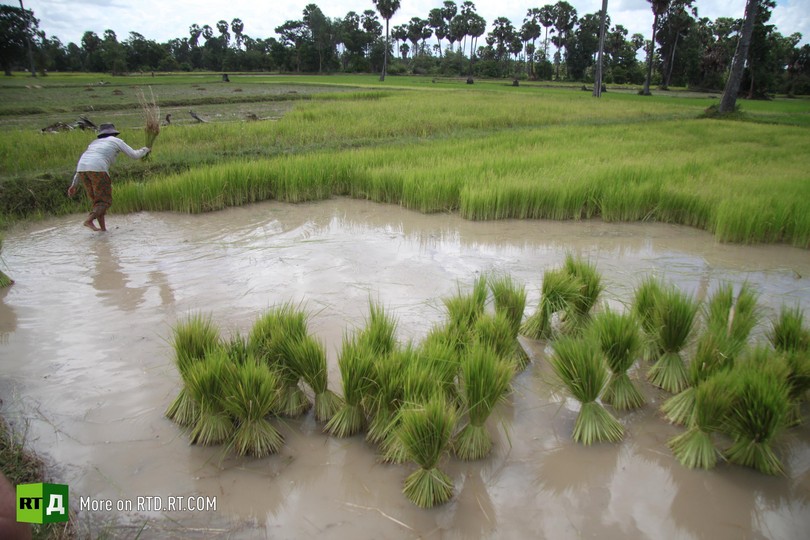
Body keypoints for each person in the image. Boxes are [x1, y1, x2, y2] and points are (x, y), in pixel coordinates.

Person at [67, 123, 150, 231]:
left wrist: (74, 185)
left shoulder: (94, 143)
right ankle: (89, 220)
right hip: (98, 169)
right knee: (105, 201)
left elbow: (83, 163)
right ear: (113, 133)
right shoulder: (116, 141)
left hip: (82, 170)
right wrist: (146, 150)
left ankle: (103, 230)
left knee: (97, 203)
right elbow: (134, 155)